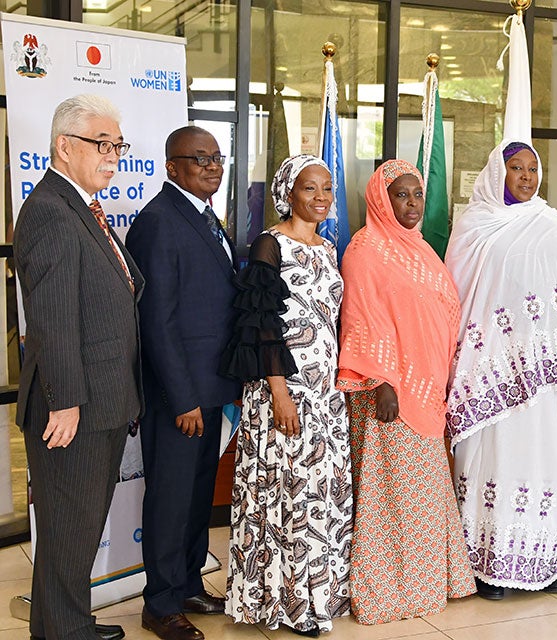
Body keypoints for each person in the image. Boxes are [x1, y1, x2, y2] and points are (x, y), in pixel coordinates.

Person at [14, 94, 143, 640]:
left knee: (76, 531)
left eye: (118, 145)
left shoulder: (81, 206)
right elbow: (52, 318)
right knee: (70, 531)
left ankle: (60, 625)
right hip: (77, 408)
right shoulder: (50, 211)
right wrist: (65, 400)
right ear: (65, 147)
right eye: (102, 144)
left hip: (105, 398)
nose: (113, 155)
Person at [445, 141, 557, 599]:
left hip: (546, 380)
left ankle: (543, 564)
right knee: (493, 460)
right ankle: (486, 566)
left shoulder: (553, 225)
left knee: (542, 464)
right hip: (489, 372)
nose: (527, 177)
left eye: (533, 168)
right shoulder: (473, 226)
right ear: (497, 172)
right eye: (516, 168)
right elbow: (459, 295)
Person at [337, 159, 475, 624]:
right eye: (401, 195)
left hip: (427, 388)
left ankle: (432, 581)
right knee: (391, 497)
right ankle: (389, 590)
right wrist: (383, 383)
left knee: (425, 493)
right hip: (388, 393)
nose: (412, 204)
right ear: (380, 198)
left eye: (417, 195)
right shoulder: (365, 249)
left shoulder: (419, 248)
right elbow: (362, 318)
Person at [222, 155, 351, 635]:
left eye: (327, 189)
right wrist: (279, 391)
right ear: (287, 193)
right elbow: (261, 325)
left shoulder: (328, 245)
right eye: (309, 188)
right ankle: (283, 602)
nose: (320, 197)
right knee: (287, 494)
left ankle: (318, 593)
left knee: (320, 495)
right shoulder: (268, 245)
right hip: (284, 388)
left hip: (324, 391)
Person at [125, 126, 240, 640]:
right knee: (170, 499)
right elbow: (157, 321)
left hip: (212, 389)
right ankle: (161, 603)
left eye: (217, 157)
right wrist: (183, 398)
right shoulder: (157, 222)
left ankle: (190, 582)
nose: (212, 165)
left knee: (196, 497)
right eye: (200, 158)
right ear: (172, 166)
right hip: (181, 396)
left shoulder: (204, 215)